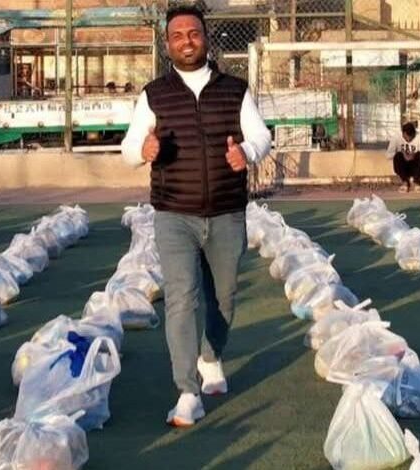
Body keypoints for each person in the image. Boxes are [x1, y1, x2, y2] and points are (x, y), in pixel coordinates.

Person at [120, 5, 272, 427]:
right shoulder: (154, 95)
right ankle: (187, 392)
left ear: (205, 38)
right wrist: (143, 151)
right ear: (167, 44)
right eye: (177, 35)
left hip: (227, 213)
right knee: (181, 298)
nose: (186, 41)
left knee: (224, 297)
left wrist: (247, 152)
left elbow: (261, 135)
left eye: (193, 33)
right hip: (174, 213)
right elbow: (129, 148)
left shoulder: (235, 90)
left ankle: (210, 356)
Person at [386, 121, 420, 193]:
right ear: (403, 133)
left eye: (411, 137)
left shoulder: (419, 137)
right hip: (402, 167)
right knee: (398, 155)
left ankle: (416, 182)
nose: (409, 140)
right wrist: (403, 154)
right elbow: (388, 155)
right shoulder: (396, 137)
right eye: (407, 137)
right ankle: (404, 182)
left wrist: (413, 155)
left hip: (414, 167)